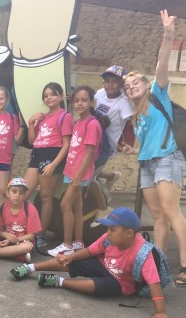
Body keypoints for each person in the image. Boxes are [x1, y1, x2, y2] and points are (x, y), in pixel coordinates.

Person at [124, 10, 186, 287]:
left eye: (135, 83)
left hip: (168, 159)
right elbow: (146, 143)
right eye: (127, 86)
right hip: (147, 164)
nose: (131, 87)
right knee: (157, 215)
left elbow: (162, 63)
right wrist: (132, 151)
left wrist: (168, 34)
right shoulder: (136, 116)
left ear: (146, 84)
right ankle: (157, 263)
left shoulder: (157, 93)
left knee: (171, 212)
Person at [10, 207, 175, 318]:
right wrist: (71, 257)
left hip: (121, 282)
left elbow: (154, 283)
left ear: (129, 233)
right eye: (108, 229)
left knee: (97, 287)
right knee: (71, 261)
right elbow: (90, 251)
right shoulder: (108, 238)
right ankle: (31, 268)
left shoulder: (143, 253)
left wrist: (160, 312)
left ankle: (58, 282)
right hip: (103, 264)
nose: (107, 233)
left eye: (112, 229)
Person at [48, 86, 104, 257]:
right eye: (77, 100)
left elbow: (89, 153)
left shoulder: (92, 124)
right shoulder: (79, 122)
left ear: (91, 102)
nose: (80, 104)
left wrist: (78, 177)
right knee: (77, 207)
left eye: (84, 100)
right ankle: (78, 242)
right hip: (71, 171)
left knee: (65, 205)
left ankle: (67, 245)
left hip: (80, 174)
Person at [24, 82, 74, 248]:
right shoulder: (43, 117)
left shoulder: (65, 116)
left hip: (52, 155)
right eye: (46, 96)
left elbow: (66, 144)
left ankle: (41, 234)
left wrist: (54, 164)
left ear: (60, 96)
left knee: (46, 197)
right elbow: (32, 140)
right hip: (37, 154)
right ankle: (23, 228)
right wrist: (31, 123)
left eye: (53, 94)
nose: (49, 98)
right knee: (23, 193)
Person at [90, 65, 135, 223]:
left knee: (88, 177)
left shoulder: (123, 103)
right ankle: (112, 176)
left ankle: (103, 209)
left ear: (121, 84)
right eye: (107, 81)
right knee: (92, 169)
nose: (110, 84)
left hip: (108, 145)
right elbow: (89, 100)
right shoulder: (100, 94)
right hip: (95, 140)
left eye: (114, 81)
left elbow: (132, 122)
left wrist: (128, 144)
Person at [0, 177, 41, 261]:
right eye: (14, 191)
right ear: (7, 193)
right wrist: (6, 235)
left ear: (24, 195)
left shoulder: (30, 209)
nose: (17, 195)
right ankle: (15, 255)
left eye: (21, 193)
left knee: (27, 247)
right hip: (5, 240)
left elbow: (31, 236)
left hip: (21, 241)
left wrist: (13, 240)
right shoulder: (2, 208)